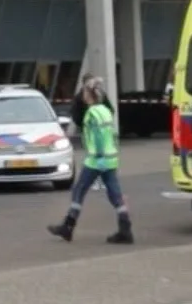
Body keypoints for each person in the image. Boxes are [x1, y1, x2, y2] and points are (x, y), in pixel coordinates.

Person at [48, 76, 134, 245]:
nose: (83, 96)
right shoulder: (105, 110)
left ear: (89, 95)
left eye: (85, 93)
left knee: (79, 191)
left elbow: (100, 137)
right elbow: (111, 135)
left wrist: (100, 156)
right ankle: (125, 229)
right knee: (115, 194)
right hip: (110, 159)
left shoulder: (92, 114)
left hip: (96, 160)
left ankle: (68, 227)